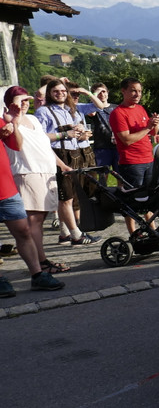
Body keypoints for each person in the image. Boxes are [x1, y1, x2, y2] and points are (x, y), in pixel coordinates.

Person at [0, 91, 63, 297]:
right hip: (22, 176)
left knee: (24, 231)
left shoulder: (5, 120)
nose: (26, 103)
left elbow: (16, 145)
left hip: (5, 188)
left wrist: (14, 123)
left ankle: (37, 275)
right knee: (31, 224)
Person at [34, 79, 100, 245]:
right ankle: (76, 235)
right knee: (66, 198)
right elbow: (38, 137)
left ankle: (65, 233)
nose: (60, 94)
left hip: (75, 154)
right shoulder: (43, 111)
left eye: (63, 91)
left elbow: (98, 108)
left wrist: (80, 129)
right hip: (57, 155)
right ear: (49, 93)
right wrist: (64, 134)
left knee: (72, 196)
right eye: (56, 91)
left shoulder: (71, 109)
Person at [109, 77, 159, 233]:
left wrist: (154, 124)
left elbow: (152, 134)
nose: (137, 94)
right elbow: (126, 140)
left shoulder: (140, 108)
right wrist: (148, 128)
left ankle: (152, 229)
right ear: (123, 91)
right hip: (131, 162)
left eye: (139, 91)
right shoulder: (118, 113)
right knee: (131, 200)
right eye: (133, 91)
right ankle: (133, 234)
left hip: (148, 159)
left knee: (148, 198)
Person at [87, 82, 118, 179]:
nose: (102, 94)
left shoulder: (117, 107)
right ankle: (103, 189)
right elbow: (91, 113)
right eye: (99, 92)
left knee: (120, 174)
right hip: (102, 148)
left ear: (108, 92)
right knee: (103, 175)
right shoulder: (93, 108)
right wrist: (94, 96)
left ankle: (121, 188)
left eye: (104, 91)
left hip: (118, 146)